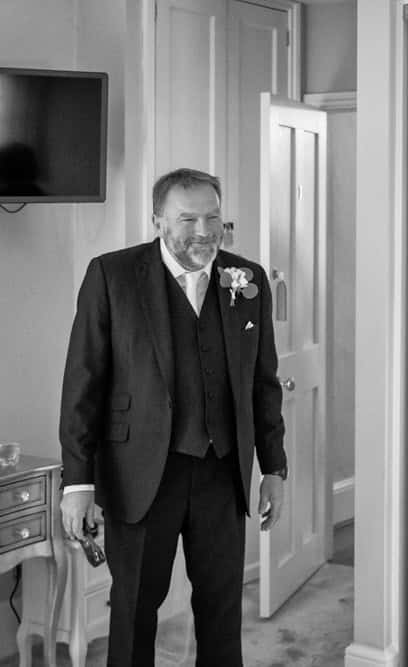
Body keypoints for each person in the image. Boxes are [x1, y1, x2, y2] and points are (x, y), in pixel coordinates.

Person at [59, 168, 288, 666]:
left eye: (213, 218)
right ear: (158, 220)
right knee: (134, 609)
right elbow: (83, 385)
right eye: (187, 219)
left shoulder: (246, 279)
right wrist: (78, 483)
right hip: (139, 474)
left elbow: (262, 383)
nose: (203, 231)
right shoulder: (112, 275)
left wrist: (274, 467)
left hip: (221, 472)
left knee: (222, 610)